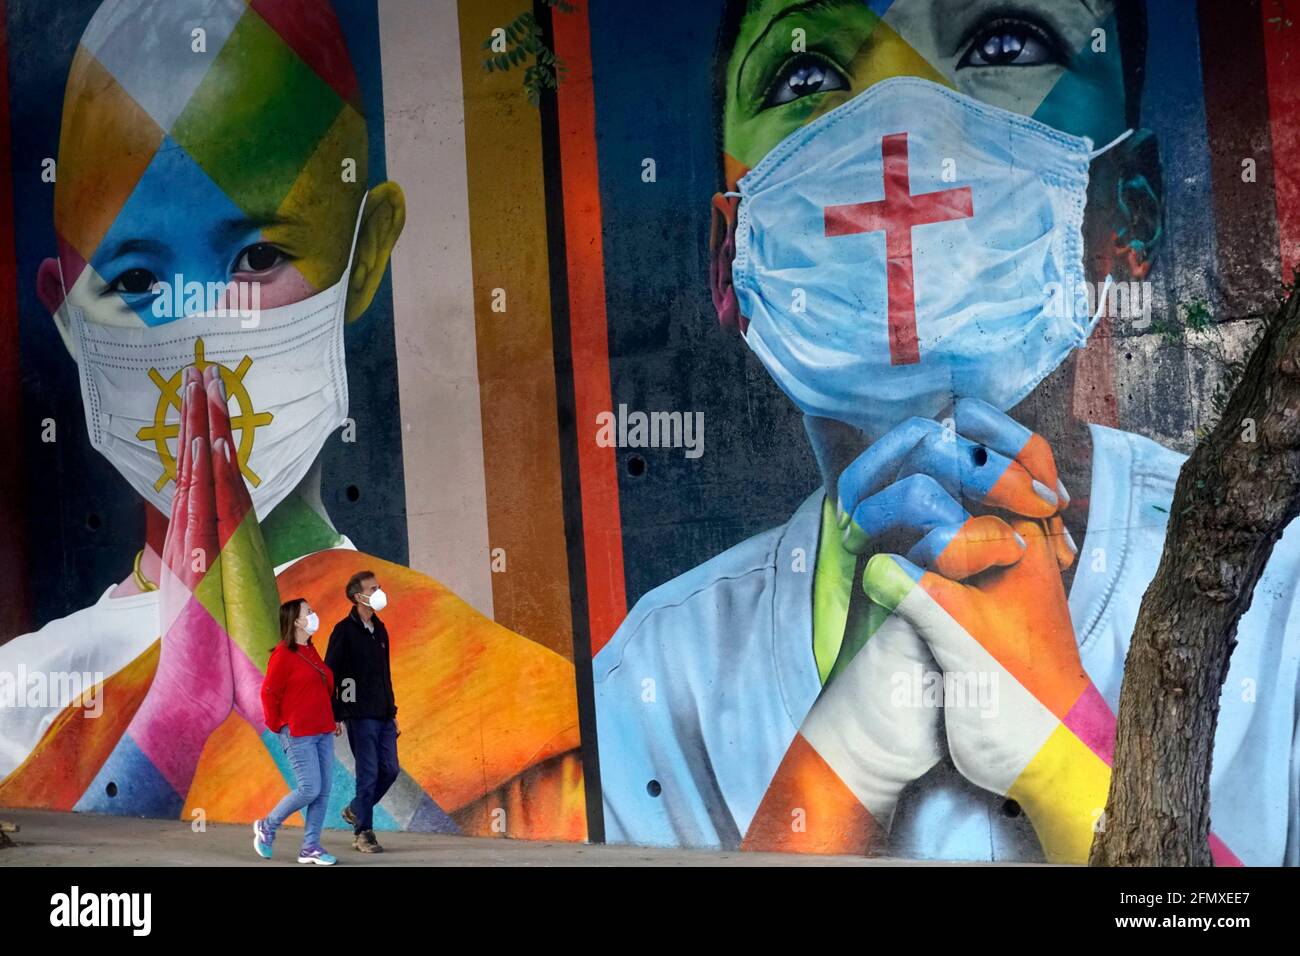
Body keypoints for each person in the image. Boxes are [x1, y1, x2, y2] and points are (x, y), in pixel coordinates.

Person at [594, 0, 1300, 865]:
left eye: (1003, 41)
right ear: (728, 256)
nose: (902, 116)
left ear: (1133, 206)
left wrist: (1067, 752)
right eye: (805, 73)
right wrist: (834, 768)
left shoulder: (1286, 605)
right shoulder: (655, 686)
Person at [0, 0, 586, 843]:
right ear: (66, 320)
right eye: (133, 279)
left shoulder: (503, 697)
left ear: (367, 252)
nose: (198, 325)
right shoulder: (23, 693)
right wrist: (172, 722)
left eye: (259, 258)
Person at [254, 598, 341, 865]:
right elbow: (268, 692)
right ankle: (268, 825)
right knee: (309, 788)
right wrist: (277, 725)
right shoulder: (282, 655)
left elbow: (319, 690)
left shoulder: (310, 651)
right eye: (309, 612)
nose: (314, 615)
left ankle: (310, 848)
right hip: (298, 733)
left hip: (323, 730)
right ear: (296, 621)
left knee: (323, 791)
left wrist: (332, 718)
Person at [325, 571, 399, 853]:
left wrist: (392, 711)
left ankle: (356, 808)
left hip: (384, 715)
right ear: (359, 597)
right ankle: (363, 833)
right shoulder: (343, 631)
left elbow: (385, 674)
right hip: (360, 716)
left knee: (390, 770)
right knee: (367, 774)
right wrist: (338, 712)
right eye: (374, 588)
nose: (380, 591)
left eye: (379, 586)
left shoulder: (380, 630)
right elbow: (334, 673)